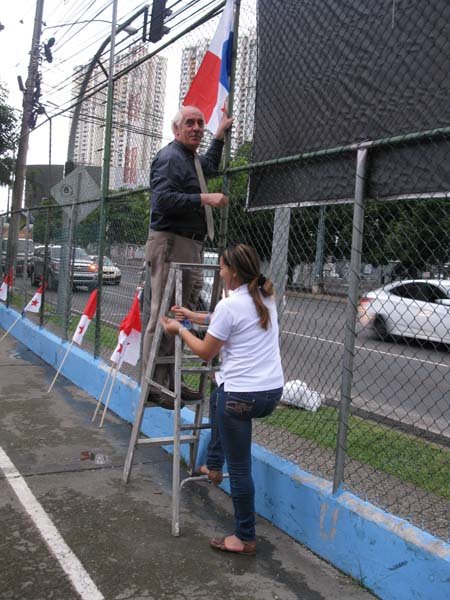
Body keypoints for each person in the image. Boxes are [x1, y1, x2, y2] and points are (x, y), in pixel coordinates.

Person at [161, 244, 284, 556]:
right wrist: (192, 315)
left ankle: (245, 537)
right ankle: (214, 465)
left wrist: (179, 329)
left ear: (234, 273)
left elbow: (205, 352)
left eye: (223, 268)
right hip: (270, 392)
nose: (220, 272)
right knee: (218, 394)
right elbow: (220, 318)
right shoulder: (264, 298)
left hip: (241, 398)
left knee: (240, 469)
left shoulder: (232, 306)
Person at [142, 105, 233, 408]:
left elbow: (208, 166)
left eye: (200, 124)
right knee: (165, 315)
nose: (196, 128)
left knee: (180, 315)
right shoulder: (169, 158)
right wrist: (205, 198)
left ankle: (171, 381)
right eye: (190, 123)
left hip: (190, 243)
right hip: (171, 242)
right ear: (176, 129)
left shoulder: (190, 158)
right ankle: (154, 386)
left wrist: (219, 134)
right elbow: (163, 201)